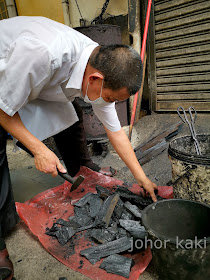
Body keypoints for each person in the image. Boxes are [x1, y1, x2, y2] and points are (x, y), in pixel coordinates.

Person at [0, 16, 157, 279]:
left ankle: (81, 173)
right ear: (95, 78)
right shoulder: (42, 53)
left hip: (30, 76)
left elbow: (116, 131)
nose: (108, 103)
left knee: (71, 112)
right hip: (5, 73)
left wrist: (142, 178)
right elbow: (2, 108)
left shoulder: (99, 64)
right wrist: (39, 149)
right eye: (109, 98)